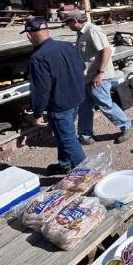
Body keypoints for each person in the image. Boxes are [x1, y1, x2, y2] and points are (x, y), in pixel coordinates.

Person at [23, 18, 87, 175]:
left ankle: (88, 175)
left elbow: (41, 89)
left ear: (30, 36)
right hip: (76, 98)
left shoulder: (38, 58)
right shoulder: (66, 45)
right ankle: (65, 164)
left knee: (68, 139)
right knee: (62, 134)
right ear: (47, 31)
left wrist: (37, 113)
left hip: (59, 105)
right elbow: (82, 66)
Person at [64, 11, 133, 145]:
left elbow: (106, 50)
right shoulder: (81, 33)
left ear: (74, 21)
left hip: (98, 76)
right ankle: (85, 135)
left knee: (105, 104)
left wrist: (100, 73)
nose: (67, 26)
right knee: (84, 107)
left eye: (68, 23)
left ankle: (127, 125)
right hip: (87, 77)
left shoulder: (93, 30)